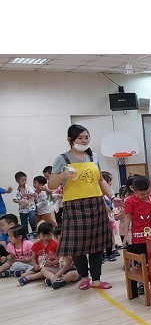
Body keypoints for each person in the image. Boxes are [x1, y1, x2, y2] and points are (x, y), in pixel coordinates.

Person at [47, 124, 116, 290]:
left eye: (86, 137)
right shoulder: (62, 159)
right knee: (77, 247)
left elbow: (101, 180)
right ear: (70, 139)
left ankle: (97, 280)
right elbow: (51, 185)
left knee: (97, 245)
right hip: (73, 206)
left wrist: (112, 197)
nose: (84, 140)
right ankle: (84, 277)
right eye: (80, 138)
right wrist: (63, 175)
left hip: (96, 204)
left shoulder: (93, 156)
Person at [122, 175, 151, 295]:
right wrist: (126, 235)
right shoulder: (130, 201)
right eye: (142, 194)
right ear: (134, 190)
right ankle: (140, 284)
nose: (145, 196)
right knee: (138, 263)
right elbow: (127, 218)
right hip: (137, 239)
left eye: (147, 192)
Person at [32, 223, 79, 289]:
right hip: (61, 270)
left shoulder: (68, 248)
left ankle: (57, 280)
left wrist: (55, 276)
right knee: (44, 269)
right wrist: (52, 260)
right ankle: (56, 280)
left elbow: (67, 266)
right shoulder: (59, 247)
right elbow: (59, 261)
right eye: (56, 238)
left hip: (74, 271)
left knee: (70, 275)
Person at [12, 171, 37, 235]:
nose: (24, 182)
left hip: (31, 207)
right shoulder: (15, 190)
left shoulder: (29, 188)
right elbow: (14, 199)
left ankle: (34, 231)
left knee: (32, 218)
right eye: (22, 180)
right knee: (24, 223)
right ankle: (26, 234)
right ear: (17, 181)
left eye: (25, 180)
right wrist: (20, 201)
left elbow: (34, 195)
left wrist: (27, 194)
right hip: (22, 209)